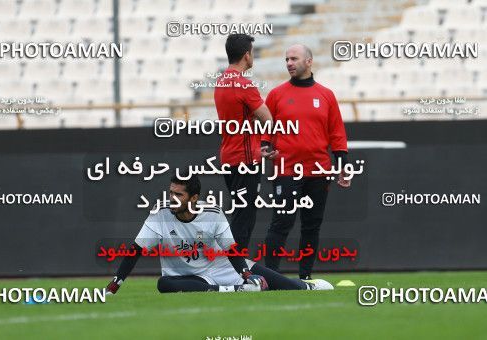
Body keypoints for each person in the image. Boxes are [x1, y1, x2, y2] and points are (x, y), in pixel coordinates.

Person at [105, 173, 333, 294]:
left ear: (193, 198)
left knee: (286, 286)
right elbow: (135, 251)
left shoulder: (213, 213)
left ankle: (308, 286)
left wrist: (246, 275)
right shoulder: (160, 214)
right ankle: (235, 291)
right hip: (187, 277)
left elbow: (232, 251)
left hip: (222, 266)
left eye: (179, 195)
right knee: (164, 284)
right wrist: (115, 285)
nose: (172, 198)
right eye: (171, 192)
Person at [261, 44, 351, 280]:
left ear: (309, 62)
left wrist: (342, 165)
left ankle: (305, 277)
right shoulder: (276, 94)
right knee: (281, 223)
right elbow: (265, 130)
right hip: (286, 170)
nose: (289, 63)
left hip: (318, 171)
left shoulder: (326, 95)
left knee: (312, 225)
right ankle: (270, 276)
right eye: (286, 59)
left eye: (294, 58)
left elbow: (337, 133)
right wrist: (264, 147)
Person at [213, 34, 277, 252]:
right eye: (252, 52)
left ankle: (233, 267)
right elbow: (268, 119)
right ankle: (234, 269)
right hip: (245, 159)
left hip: (229, 157)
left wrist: (257, 148)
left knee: (240, 213)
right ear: (246, 55)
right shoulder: (244, 84)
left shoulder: (221, 82)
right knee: (245, 218)